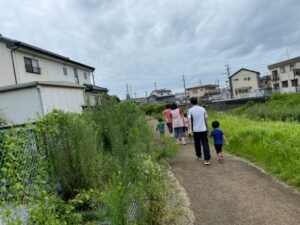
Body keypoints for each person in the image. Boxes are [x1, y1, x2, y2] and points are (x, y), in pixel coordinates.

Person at [188, 97, 211, 165]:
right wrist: (207, 129)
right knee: (205, 144)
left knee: (197, 143)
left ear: (191, 102)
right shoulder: (203, 109)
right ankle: (207, 160)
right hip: (203, 129)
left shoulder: (190, 110)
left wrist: (190, 130)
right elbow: (206, 120)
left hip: (195, 130)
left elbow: (189, 121)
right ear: (197, 101)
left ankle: (199, 156)